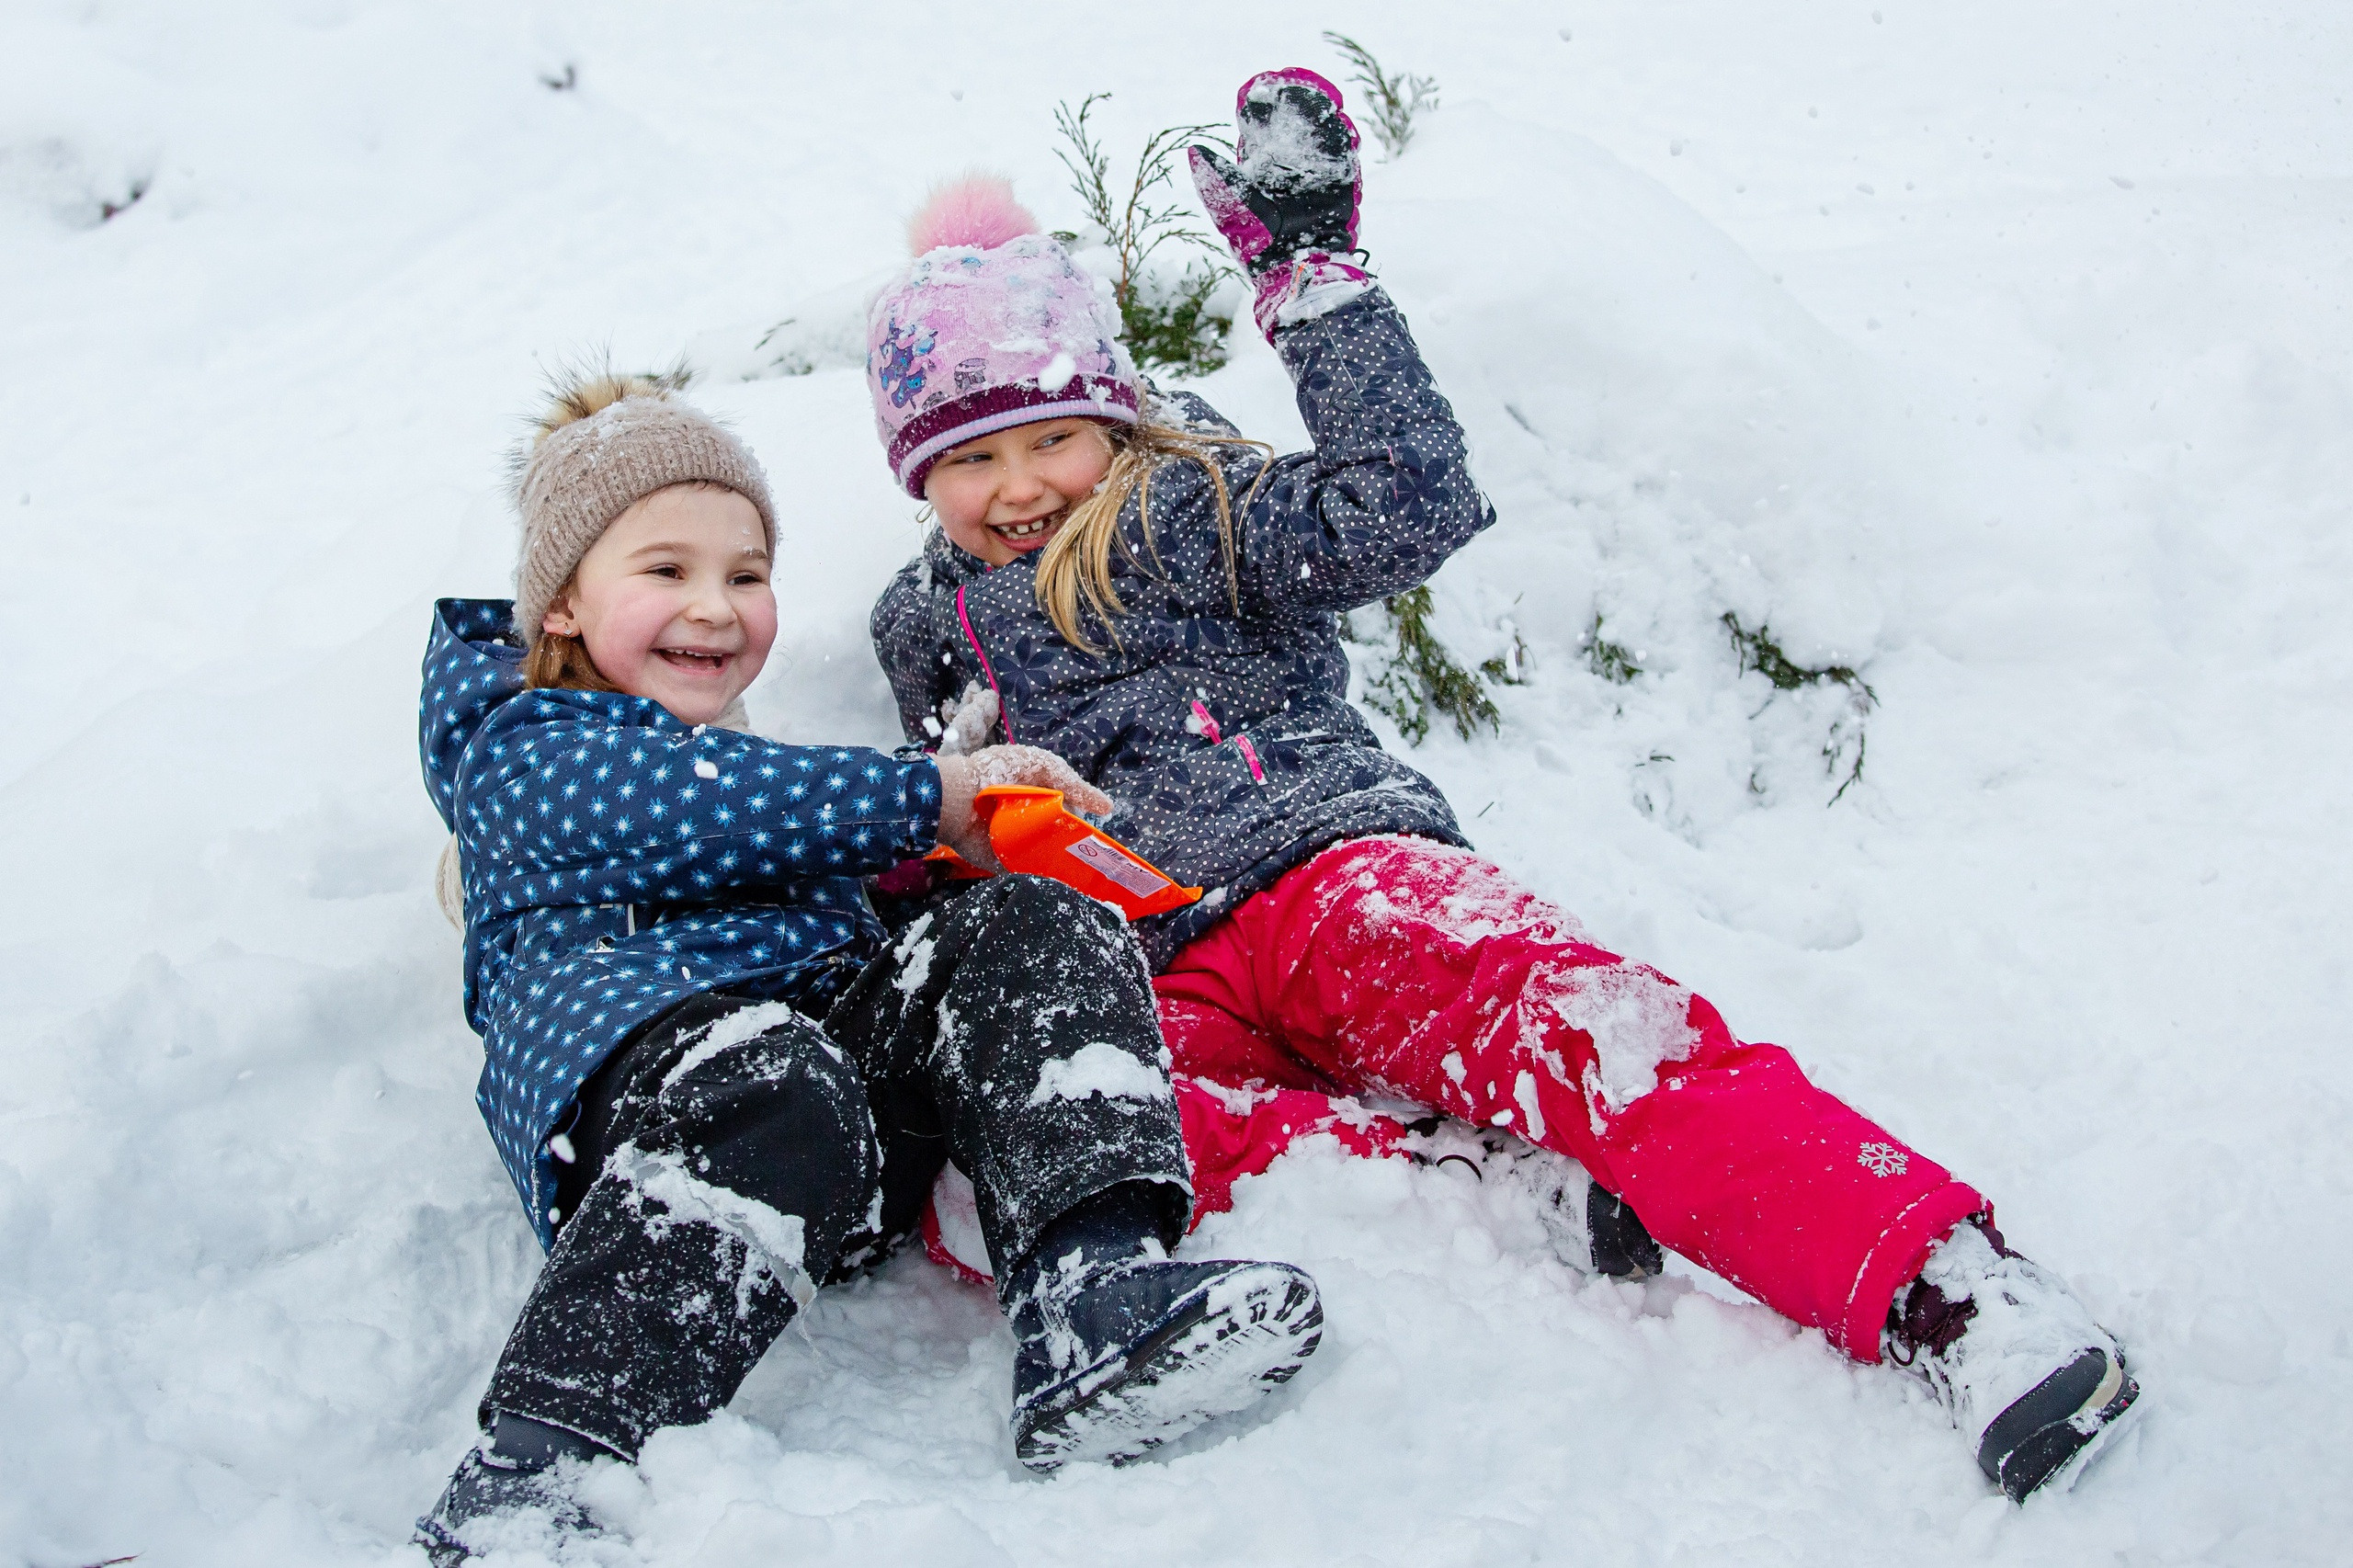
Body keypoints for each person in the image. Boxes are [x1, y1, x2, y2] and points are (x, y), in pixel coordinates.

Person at [865, 72, 2143, 1505]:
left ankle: (1945, 1285)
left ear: (1113, 418)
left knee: (1599, 1036)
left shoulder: (1192, 509)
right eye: (971, 455)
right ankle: (1485, 1178)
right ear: (916, 470)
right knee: (1008, 1170)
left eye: (1053, 435)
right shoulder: (918, 626)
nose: (1022, 483)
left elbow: (1408, 497)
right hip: (1154, 965)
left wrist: (1317, 287)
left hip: (1330, 874)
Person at [412, 373, 1326, 1562]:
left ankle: (1094, 1290)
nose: (717, 605)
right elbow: (694, 806)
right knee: (768, 1066)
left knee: (1023, 924)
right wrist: (926, 799)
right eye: (666, 570)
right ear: (564, 608)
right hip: (664, 1125)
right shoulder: (525, 748)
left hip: (840, 1133)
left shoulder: (756, 777)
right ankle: (544, 1463)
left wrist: (972, 849)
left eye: (746, 574)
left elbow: (794, 839)